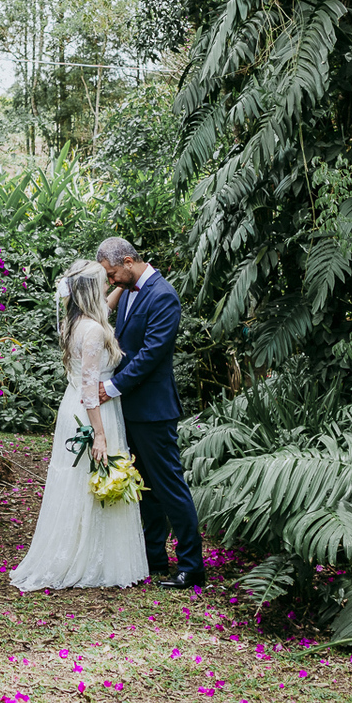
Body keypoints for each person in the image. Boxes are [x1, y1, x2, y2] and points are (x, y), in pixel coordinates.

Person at [9, 259, 148, 591]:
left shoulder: (74, 324)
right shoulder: (95, 331)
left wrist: (122, 282)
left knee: (78, 483)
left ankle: (83, 550)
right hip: (93, 411)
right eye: (103, 282)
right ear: (90, 292)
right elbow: (90, 389)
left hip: (74, 407)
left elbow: (104, 305)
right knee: (96, 478)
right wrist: (99, 434)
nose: (107, 287)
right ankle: (91, 559)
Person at [96, 237, 205, 589]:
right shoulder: (128, 291)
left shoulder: (163, 296)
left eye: (112, 273)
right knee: (146, 489)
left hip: (154, 411)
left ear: (129, 261)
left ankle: (191, 566)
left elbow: (151, 354)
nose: (111, 281)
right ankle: (154, 556)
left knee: (170, 487)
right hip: (132, 409)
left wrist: (112, 387)